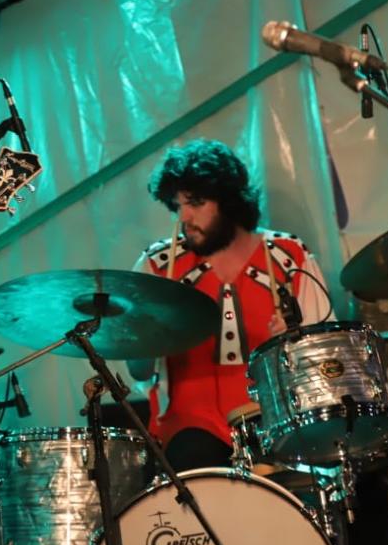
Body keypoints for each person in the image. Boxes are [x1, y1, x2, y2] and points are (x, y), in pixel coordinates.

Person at [128, 138, 333, 471]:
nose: (184, 217)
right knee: (193, 456)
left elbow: (326, 358)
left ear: (229, 201)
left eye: (196, 203)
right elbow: (137, 370)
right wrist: (151, 331)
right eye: (177, 205)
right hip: (187, 432)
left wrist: (294, 341)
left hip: (277, 423)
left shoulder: (289, 257)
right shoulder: (158, 266)